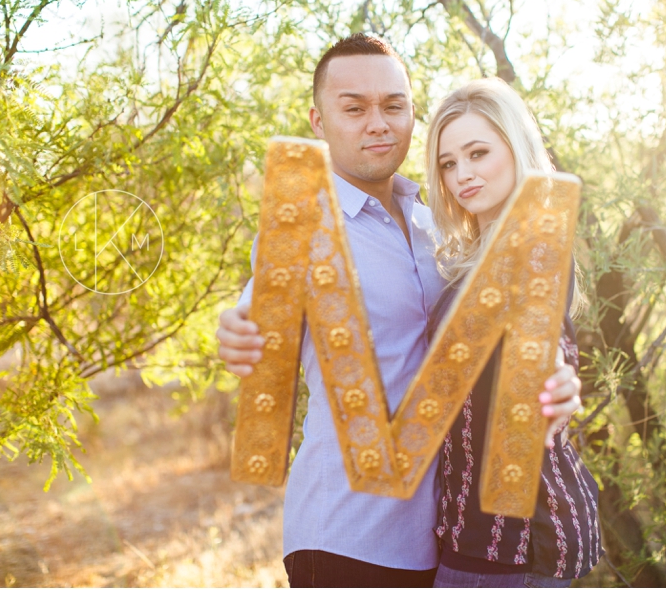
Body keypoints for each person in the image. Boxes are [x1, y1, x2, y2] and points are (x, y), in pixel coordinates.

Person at [215, 34, 583, 588]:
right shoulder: (302, 229)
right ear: (319, 120)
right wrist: (236, 332)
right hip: (345, 537)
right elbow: (257, 325)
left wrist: (553, 372)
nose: (378, 123)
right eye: (354, 108)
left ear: (412, 113)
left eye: (393, 105)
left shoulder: (439, 224)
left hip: (439, 539)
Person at [424, 78, 602, 588]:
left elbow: (546, 342)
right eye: (449, 163)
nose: (464, 174)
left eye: (479, 153)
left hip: (512, 545)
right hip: (474, 535)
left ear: (516, 149)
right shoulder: (471, 261)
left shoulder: (534, 250)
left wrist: (557, 381)